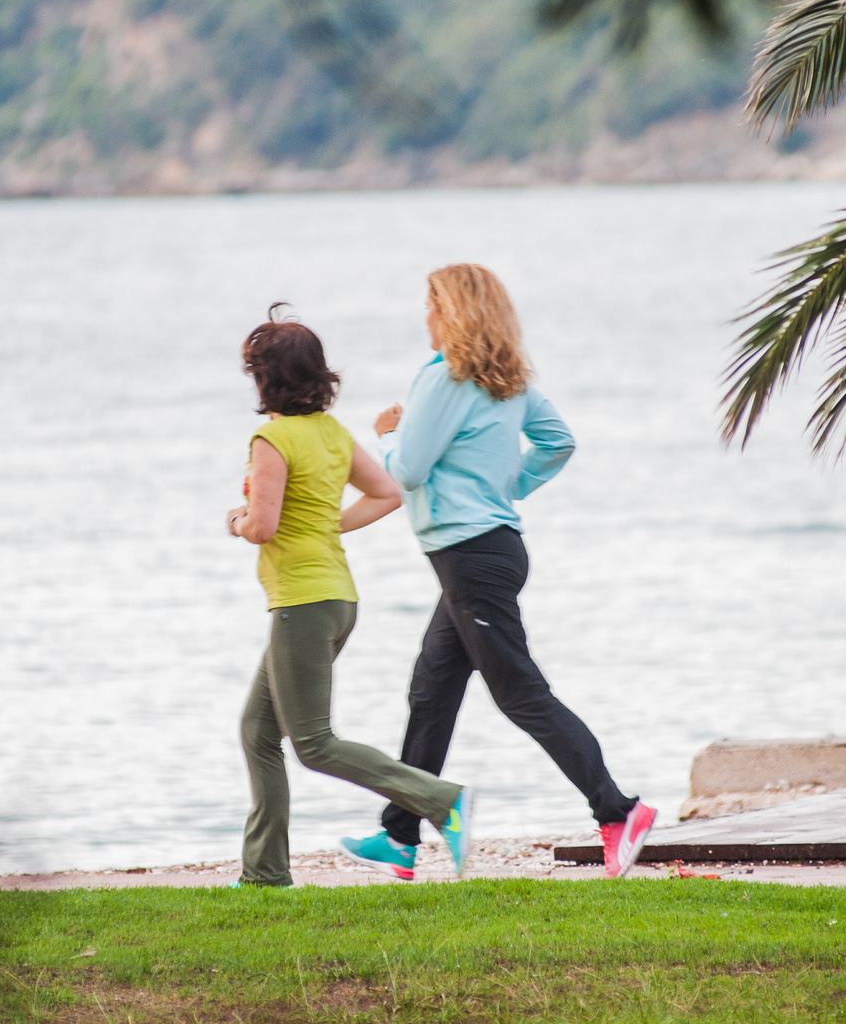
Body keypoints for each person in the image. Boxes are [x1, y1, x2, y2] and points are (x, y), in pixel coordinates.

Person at [338, 264, 658, 880]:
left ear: (451, 313)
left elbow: (406, 471)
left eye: (431, 306)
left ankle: (619, 810)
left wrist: (388, 435)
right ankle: (399, 835)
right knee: (431, 691)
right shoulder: (509, 379)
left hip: (471, 558)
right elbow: (558, 442)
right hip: (488, 551)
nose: (425, 317)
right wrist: (506, 485)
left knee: (520, 693)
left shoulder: (441, 377)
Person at [228, 309, 473, 888]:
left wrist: (236, 520)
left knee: (314, 743)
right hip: (336, 600)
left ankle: (442, 799)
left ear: (265, 379)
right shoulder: (331, 433)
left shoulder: (271, 440)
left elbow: (262, 527)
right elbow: (387, 492)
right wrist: (325, 524)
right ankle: (264, 875)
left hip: (304, 603)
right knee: (258, 732)